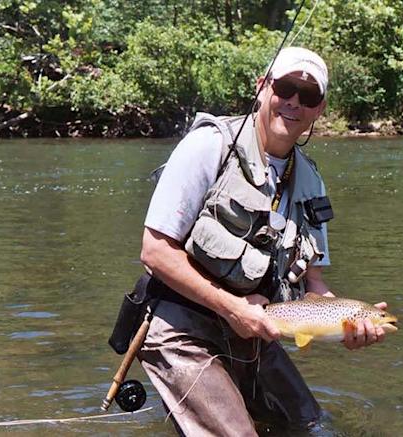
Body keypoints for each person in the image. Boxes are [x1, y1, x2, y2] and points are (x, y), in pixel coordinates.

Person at [136, 46, 389, 436]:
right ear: (262, 87)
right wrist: (233, 308)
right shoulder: (209, 147)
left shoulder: (311, 183)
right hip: (181, 328)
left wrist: (344, 324)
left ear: (319, 109)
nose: (293, 102)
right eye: (285, 87)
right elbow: (154, 252)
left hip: (253, 332)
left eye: (308, 97)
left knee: (309, 427)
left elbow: (314, 285)